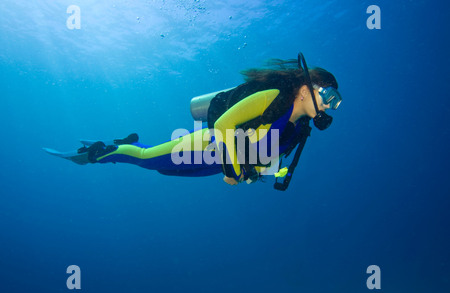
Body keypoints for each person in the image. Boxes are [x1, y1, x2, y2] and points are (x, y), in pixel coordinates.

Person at [44, 52, 342, 190]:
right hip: (209, 146)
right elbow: (224, 125)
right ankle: (102, 151)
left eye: (335, 101)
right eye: (328, 94)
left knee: (166, 173)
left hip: (221, 165)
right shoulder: (274, 97)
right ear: (305, 89)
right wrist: (234, 168)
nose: (331, 105)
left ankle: (127, 144)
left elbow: (266, 154)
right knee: (148, 160)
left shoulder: (298, 130)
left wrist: (251, 174)